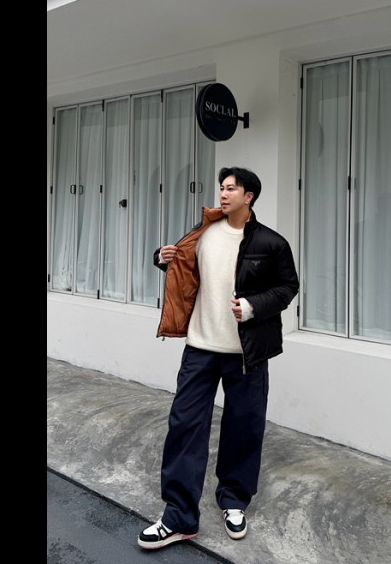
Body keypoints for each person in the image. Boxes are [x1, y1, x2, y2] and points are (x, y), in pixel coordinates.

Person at [138, 167, 299, 549]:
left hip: (247, 352)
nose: (223, 194)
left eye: (231, 189)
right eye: (222, 188)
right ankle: (178, 516)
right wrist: (163, 258)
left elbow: (288, 286)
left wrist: (253, 306)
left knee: (244, 427)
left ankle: (233, 500)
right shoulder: (204, 231)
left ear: (249, 196)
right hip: (200, 347)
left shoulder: (271, 242)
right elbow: (185, 269)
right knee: (184, 425)